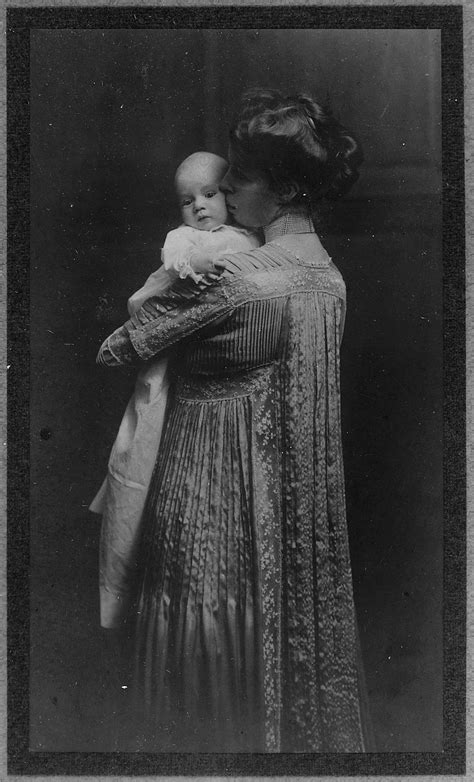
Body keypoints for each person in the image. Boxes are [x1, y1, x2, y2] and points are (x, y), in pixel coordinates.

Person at [96, 89, 373, 752]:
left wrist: (160, 289)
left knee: (205, 637)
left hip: (208, 495)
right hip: (283, 509)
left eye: (239, 180)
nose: (226, 193)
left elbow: (116, 348)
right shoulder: (328, 276)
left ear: (275, 190)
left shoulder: (237, 277)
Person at [90, 151, 260, 629]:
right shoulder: (186, 240)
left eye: (210, 195)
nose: (200, 208)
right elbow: (173, 277)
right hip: (165, 349)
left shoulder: (247, 239)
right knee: (140, 444)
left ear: (229, 195)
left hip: (200, 360)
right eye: (188, 201)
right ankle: (118, 599)